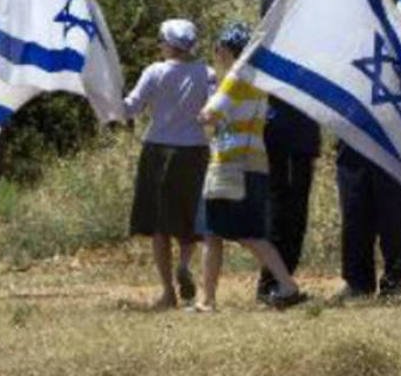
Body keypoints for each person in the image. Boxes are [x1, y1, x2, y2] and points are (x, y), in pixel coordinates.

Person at [196, 22, 305, 311]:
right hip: (254, 162)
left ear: (225, 49)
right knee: (244, 231)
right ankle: (208, 298)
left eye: (218, 48)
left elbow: (209, 114)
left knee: (221, 232)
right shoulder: (258, 80)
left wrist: (204, 110)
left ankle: (285, 285)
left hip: (230, 164)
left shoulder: (235, 77)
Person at [334, 0, 401, 299]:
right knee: (356, 209)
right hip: (356, 134)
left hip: (399, 137)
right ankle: (357, 282)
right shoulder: (348, 40)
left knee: (397, 212)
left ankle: (395, 280)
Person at [125, 19, 216, 309]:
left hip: (158, 151)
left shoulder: (155, 72)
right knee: (188, 218)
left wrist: (105, 98)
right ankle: (185, 263)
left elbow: (132, 107)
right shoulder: (207, 73)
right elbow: (212, 111)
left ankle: (167, 291)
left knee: (159, 225)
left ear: (169, 44)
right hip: (194, 152)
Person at [256, 0, 321, 300]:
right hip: (285, 139)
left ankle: (280, 280)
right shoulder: (267, 51)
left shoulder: (304, 48)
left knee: (289, 214)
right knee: (283, 214)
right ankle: (273, 283)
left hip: (295, 139)